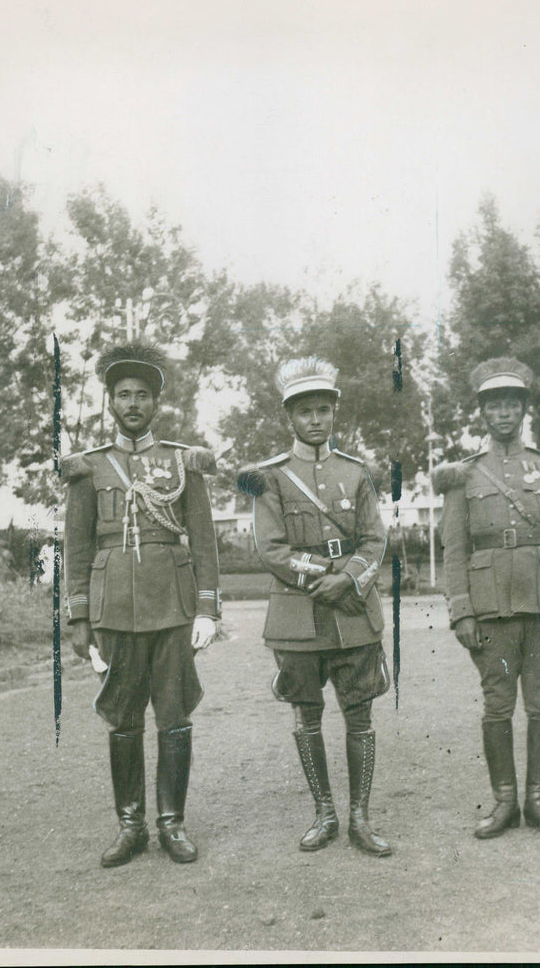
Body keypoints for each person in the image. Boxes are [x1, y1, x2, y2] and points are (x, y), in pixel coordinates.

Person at [62, 342, 220, 868]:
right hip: (114, 609)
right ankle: (130, 826)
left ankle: (172, 824)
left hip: (172, 606)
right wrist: (79, 617)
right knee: (124, 719)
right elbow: (76, 548)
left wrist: (206, 608)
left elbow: (204, 540)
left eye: (143, 395)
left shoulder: (182, 461)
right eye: (124, 394)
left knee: (174, 717)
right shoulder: (88, 468)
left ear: (157, 403)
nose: (133, 404)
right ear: (110, 402)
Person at [237, 356, 391, 857]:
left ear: (334, 413)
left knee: (360, 716)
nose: (316, 419)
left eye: (324, 410)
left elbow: (375, 539)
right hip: (298, 615)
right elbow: (271, 548)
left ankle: (360, 818)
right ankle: (324, 813)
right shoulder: (270, 478)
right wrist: (322, 574)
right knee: (307, 716)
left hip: (352, 612)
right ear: (290, 417)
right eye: (305, 412)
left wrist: (347, 577)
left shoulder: (356, 473)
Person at [432, 357, 540, 839]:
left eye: (511, 404)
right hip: (490, 610)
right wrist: (461, 611)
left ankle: (538, 801)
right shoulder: (463, 475)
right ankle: (504, 803)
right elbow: (454, 549)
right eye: (494, 405)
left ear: (523, 409)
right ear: (482, 412)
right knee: (497, 705)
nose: (502, 413)